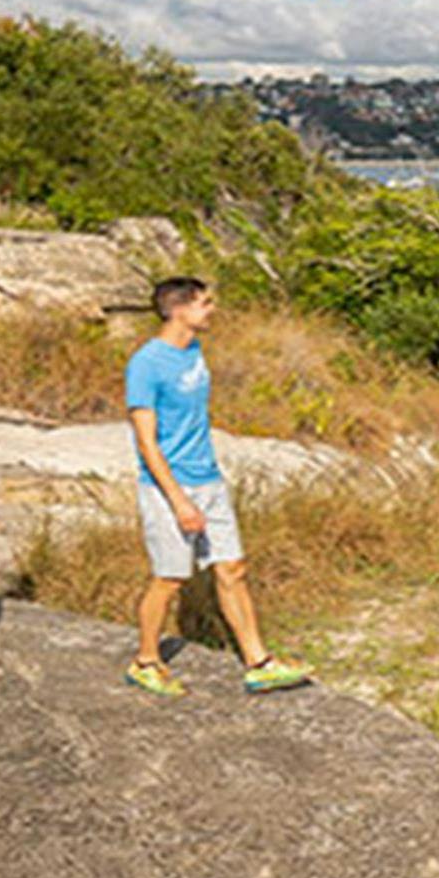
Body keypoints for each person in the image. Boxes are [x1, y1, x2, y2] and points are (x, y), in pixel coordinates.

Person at [124, 276, 310, 697]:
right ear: (178, 310)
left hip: (208, 477)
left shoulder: (193, 349)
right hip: (168, 486)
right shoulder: (146, 364)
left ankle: (258, 662)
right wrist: (179, 501)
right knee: (170, 578)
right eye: (205, 303)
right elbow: (146, 442)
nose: (212, 309)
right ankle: (145, 660)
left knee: (232, 569)